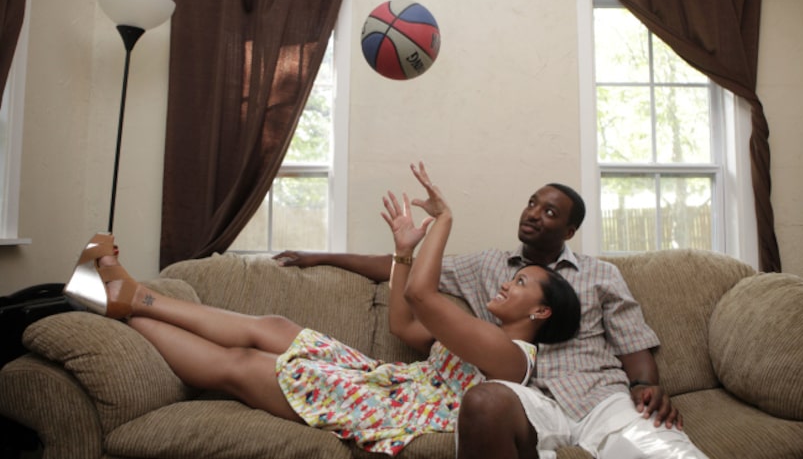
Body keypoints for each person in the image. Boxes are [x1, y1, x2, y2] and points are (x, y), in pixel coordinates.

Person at [62, 162, 581, 457]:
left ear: (540, 315)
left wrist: (443, 221)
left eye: (520, 284)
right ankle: (134, 297)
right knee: (275, 327)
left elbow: (422, 297)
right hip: (386, 380)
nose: (507, 283)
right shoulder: (479, 337)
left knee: (243, 366)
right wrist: (403, 249)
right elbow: (403, 321)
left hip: (393, 409)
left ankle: (127, 308)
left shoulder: (513, 360)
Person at [275, 170, 710, 459]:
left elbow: (633, 343)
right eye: (532, 204)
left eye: (550, 212)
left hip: (600, 399)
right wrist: (322, 255)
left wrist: (646, 385)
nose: (534, 215)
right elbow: (404, 273)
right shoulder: (488, 267)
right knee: (483, 403)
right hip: (526, 398)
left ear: (570, 231)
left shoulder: (601, 274)